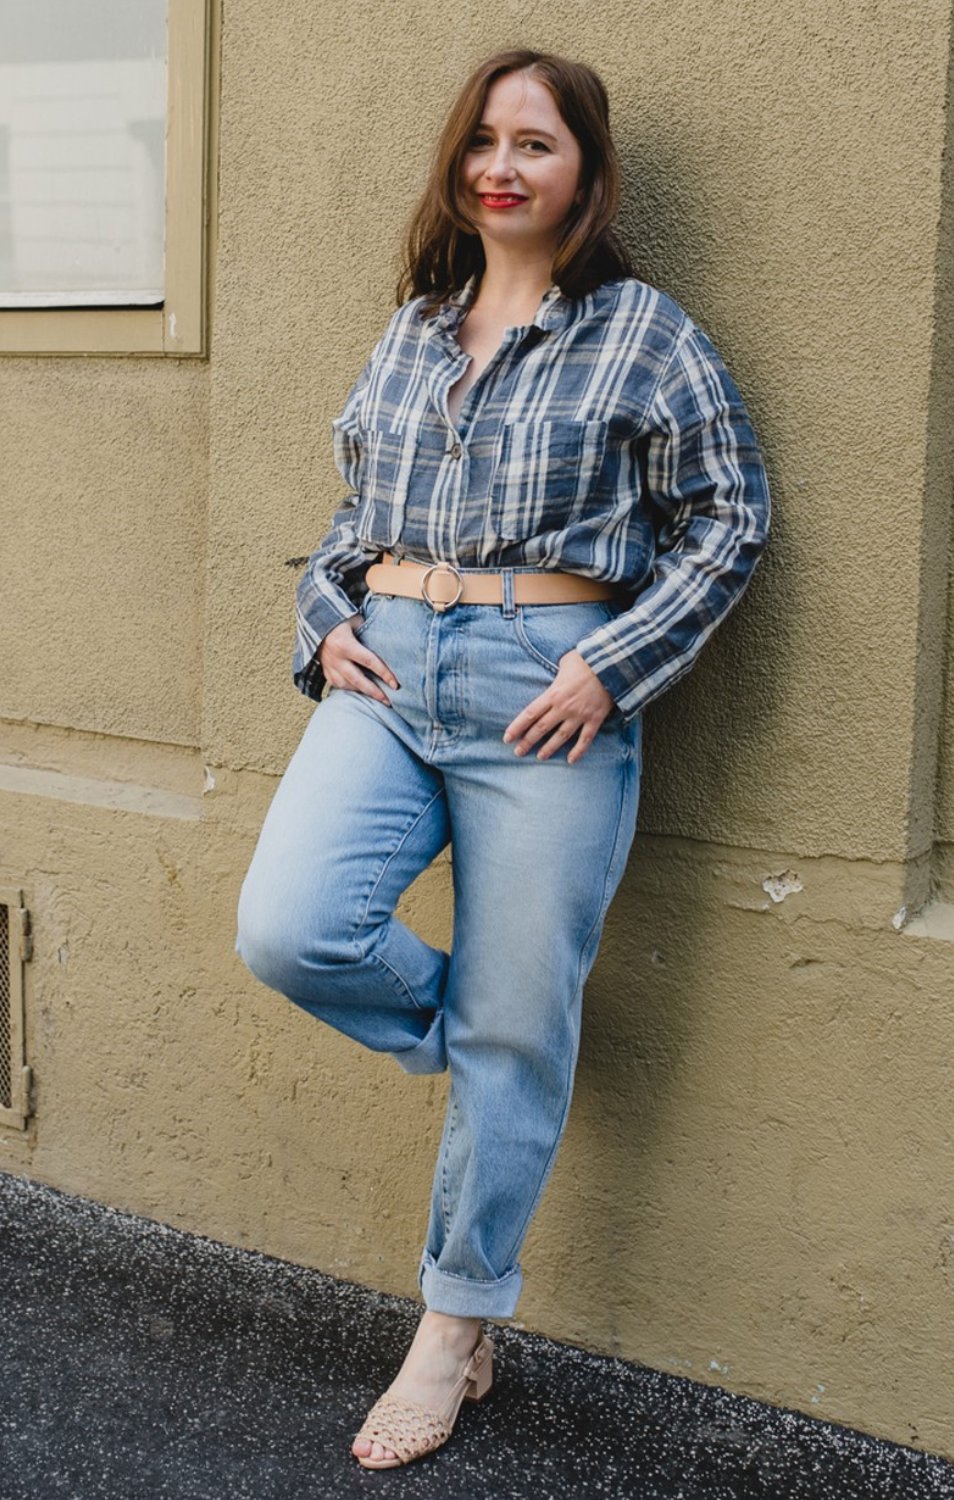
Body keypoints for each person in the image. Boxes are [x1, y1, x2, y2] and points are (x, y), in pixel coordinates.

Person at [236, 48, 770, 1470]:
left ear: (586, 173)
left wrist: (614, 666)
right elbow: (349, 517)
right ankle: (496, 1054)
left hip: (552, 694)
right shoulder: (415, 329)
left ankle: (454, 1326)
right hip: (388, 674)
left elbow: (731, 522)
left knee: (518, 1027)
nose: (503, 164)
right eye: (482, 138)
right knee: (292, 928)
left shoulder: (644, 332)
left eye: (536, 142)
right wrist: (322, 623)